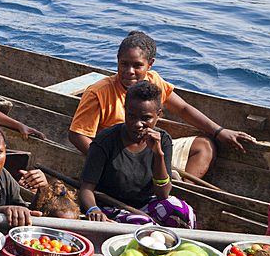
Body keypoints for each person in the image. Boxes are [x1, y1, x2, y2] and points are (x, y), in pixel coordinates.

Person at [68, 31, 255, 179]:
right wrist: (109, 162)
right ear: (117, 60)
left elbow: (183, 108)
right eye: (123, 64)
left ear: (150, 64)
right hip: (119, 153)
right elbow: (78, 135)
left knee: (205, 145)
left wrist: (219, 131)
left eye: (137, 65)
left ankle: (183, 189)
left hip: (149, 146)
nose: (129, 71)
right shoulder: (99, 92)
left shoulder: (153, 80)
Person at [79, 81, 196, 228]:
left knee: (184, 212)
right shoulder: (106, 140)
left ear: (158, 115)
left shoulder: (163, 140)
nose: (138, 124)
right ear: (125, 111)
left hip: (146, 205)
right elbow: (86, 189)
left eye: (146, 118)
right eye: (131, 116)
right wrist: (93, 209)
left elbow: (163, 195)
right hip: (110, 207)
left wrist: (158, 154)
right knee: (143, 224)